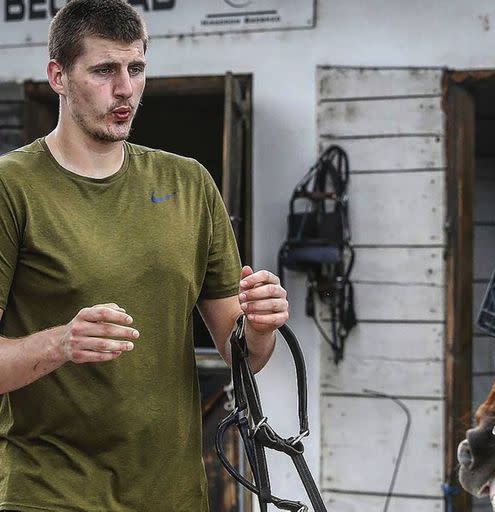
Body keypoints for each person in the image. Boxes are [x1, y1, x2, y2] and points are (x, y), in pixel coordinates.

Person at [0, 1, 289, 510]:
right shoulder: (13, 187)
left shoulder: (189, 183)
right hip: (50, 495)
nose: (125, 89)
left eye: (136, 68)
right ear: (58, 76)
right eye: (104, 70)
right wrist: (62, 343)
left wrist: (259, 328)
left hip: (173, 495)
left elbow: (242, 355)